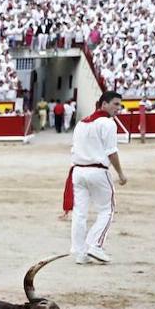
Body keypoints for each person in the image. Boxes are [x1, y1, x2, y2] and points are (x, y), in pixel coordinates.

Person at [64, 91, 128, 265]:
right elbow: (111, 152)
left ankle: (79, 252)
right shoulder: (107, 123)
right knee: (107, 210)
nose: (118, 108)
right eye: (115, 104)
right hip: (98, 172)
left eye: (119, 105)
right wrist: (121, 173)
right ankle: (94, 245)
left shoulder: (81, 123)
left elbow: (74, 149)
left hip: (78, 171)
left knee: (80, 213)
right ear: (103, 104)